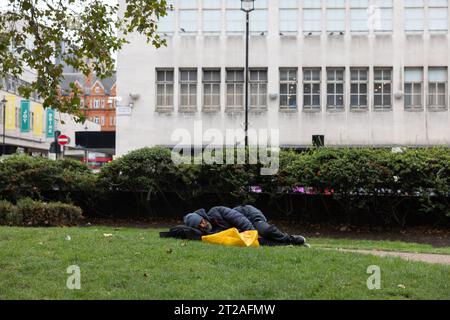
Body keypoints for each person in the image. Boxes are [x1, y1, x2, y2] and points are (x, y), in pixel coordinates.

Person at [183, 205, 310, 247]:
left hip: (250, 217)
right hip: (244, 230)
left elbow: (240, 219)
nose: (203, 225)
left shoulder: (216, 211)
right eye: (199, 226)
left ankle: (291, 239)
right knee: (261, 242)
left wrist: (253, 232)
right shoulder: (211, 232)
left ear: (203, 217)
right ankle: (289, 245)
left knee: (265, 230)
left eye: (201, 221)